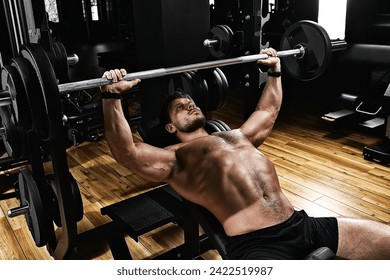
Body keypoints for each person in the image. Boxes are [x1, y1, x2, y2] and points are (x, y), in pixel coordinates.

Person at [101, 48, 390, 260]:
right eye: (180, 107)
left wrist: (275, 70)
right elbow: (126, 152)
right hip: (259, 245)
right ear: (170, 126)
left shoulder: (238, 135)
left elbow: (267, 110)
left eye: (190, 102)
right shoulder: (174, 158)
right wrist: (112, 97)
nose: (190, 105)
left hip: (304, 224)